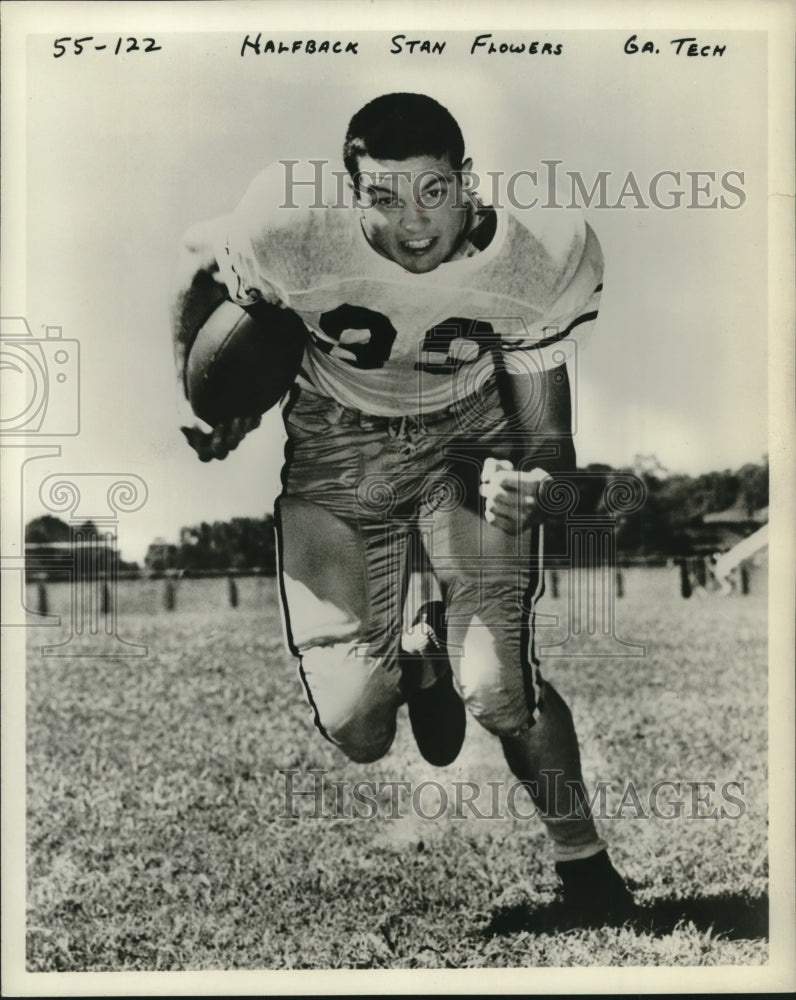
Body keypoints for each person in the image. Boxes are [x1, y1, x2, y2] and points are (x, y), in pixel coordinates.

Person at [172, 92, 635, 925]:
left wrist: (532, 483)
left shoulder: (540, 254)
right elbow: (200, 264)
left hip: (468, 437)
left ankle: (588, 869)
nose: (414, 224)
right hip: (335, 443)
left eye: (433, 192)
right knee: (355, 726)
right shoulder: (288, 226)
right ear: (352, 194)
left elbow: (547, 440)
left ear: (467, 180)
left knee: (497, 688)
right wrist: (213, 400)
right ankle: (419, 653)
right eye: (384, 197)